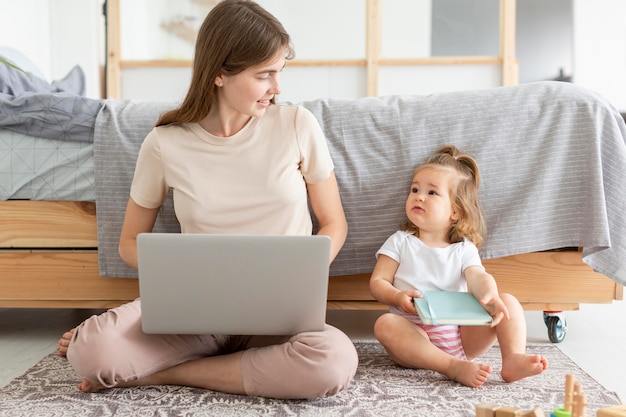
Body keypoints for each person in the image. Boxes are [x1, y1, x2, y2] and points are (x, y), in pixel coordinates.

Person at [56, 0, 358, 399]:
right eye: (264, 75)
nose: (277, 88)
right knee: (91, 351)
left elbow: (333, 223)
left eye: (280, 73)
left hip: (281, 313)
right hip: (195, 314)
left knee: (332, 361)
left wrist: (306, 269)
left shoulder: (298, 124)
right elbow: (128, 243)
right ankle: (194, 361)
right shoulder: (165, 143)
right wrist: (182, 269)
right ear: (219, 73)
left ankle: (168, 373)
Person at [369, 144, 548, 388]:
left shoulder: (464, 248)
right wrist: (397, 296)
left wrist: (490, 296)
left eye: (432, 193)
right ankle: (450, 366)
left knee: (509, 302)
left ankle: (513, 359)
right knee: (385, 324)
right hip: (413, 336)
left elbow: (477, 276)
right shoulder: (400, 241)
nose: (419, 196)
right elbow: (378, 282)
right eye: (415, 189)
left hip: (460, 337)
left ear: (455, 212)